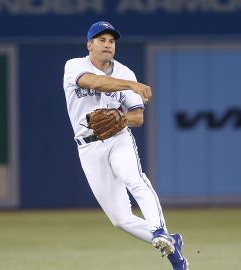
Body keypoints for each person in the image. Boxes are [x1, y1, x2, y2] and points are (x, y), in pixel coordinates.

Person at [62, 21, 189, 270]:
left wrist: (121, 118)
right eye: (101, 40)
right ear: (90, 45)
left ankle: (160, 230)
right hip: (87, 147)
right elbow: (95, 82)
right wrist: (131, 85)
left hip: (118, 139)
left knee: (134, 178)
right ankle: (171, 241)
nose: (107, 44)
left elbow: (137, 117)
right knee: (120, 219)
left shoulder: (125, 72)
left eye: (111, 41)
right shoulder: (74, 66)